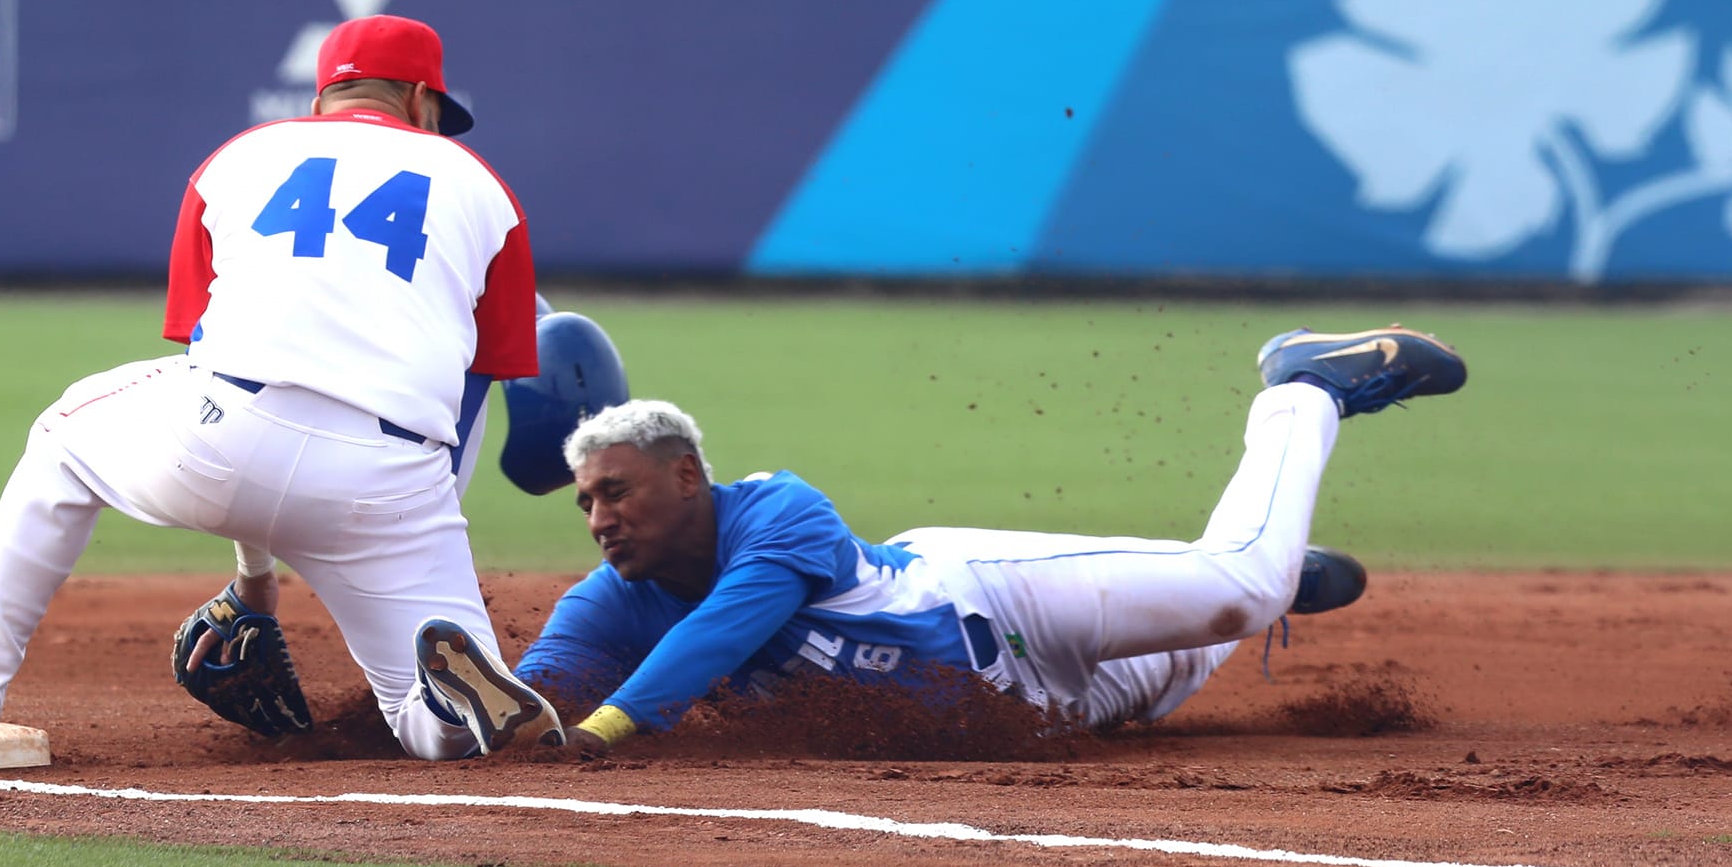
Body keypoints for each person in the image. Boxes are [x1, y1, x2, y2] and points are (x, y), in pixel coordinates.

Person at [0, 14, 562, 758]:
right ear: (420, 99)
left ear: (325, 97)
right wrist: (422, 521)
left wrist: (255, 580)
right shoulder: (488, 191)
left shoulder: (239, 157)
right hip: (390, 475)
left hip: (225, 434)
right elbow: (474, 389)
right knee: (419, 717)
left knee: (63, 441)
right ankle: (445, 718)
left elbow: (204, 350)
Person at [482, 326, 1466, 756]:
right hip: (1039, 713)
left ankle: (1304, 388)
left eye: (616, 491)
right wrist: (504, 724)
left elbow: (713, 640)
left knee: (1233, 590)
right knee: (1196, 640)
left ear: (686, 474)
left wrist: (606, 727)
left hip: (995, 600)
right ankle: (1282, 566)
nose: (600, 517)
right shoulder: (608, 596)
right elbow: (534, 700)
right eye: (584, 505)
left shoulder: (778, 511)